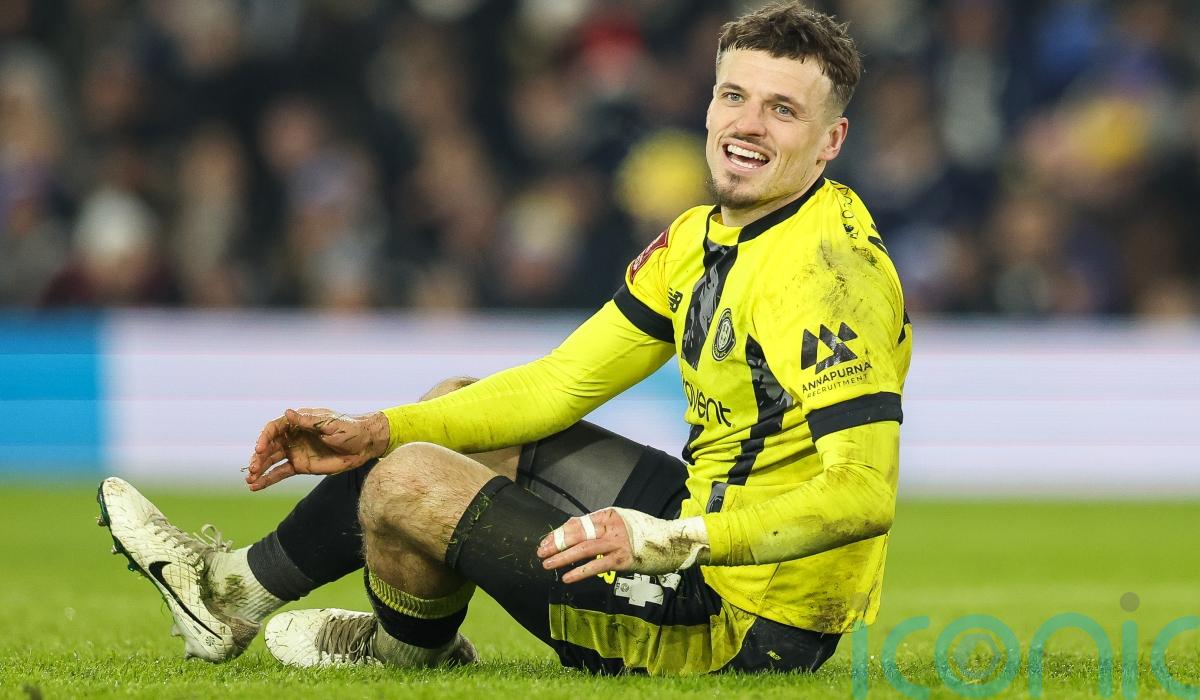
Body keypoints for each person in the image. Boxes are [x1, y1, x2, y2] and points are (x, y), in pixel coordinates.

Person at [98, 2, 911, 675]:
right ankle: (258, 604)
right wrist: (378, 428)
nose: (748, 125)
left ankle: (311, 621)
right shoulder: (701, 236)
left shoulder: (828, 277)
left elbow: (863, 494)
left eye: (783, 110)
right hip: (706, 525)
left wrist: (671, 539)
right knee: (448, 413)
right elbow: (559, 384)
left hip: (748, 622)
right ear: (708, 104)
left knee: (410, 480)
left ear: (831, 141)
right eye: (735, 96)